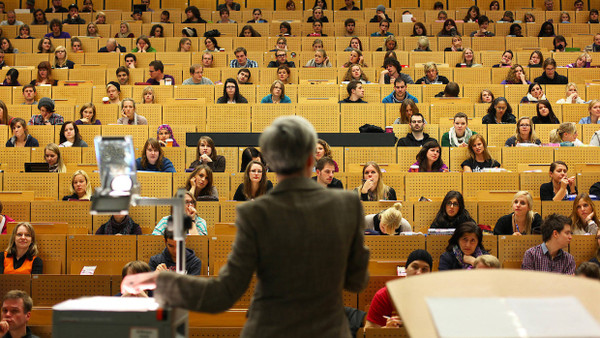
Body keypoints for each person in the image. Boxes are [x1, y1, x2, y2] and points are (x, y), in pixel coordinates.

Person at [122, 115, 370, 338]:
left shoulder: (254, 212)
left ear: (271, 162)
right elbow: (357, 281)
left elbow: (224, 293)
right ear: (310, 160)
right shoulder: (347, 205)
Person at [365, 250, 432, 329]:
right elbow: (368, 331)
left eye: (424, 269)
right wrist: (385, 330)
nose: (419, 273)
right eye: (415, 267)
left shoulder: (436, 297)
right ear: (406, 269)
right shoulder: (384, 295)